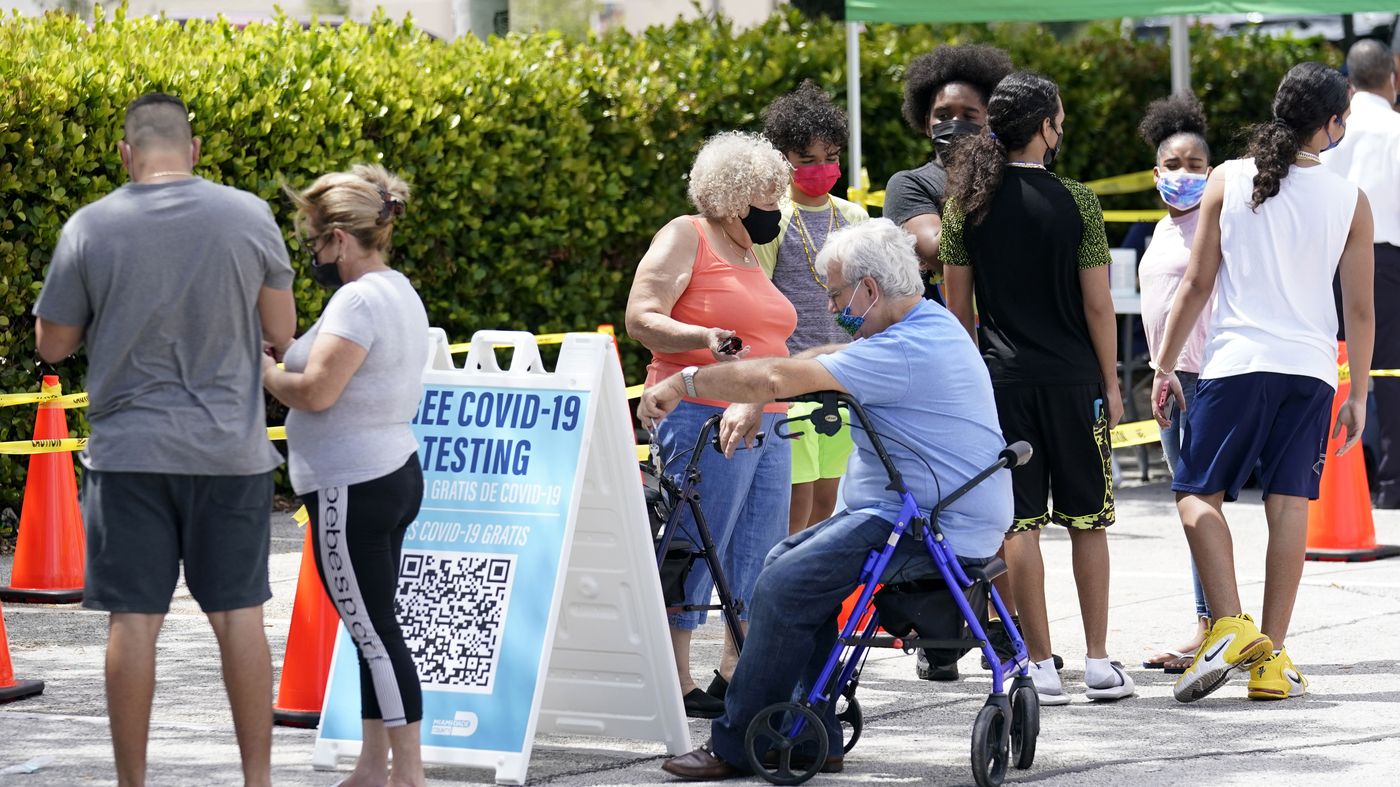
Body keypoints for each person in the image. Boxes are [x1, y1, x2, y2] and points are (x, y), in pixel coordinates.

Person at [644, 218, 1013, 780]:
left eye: (838, 293)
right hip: (929, 512)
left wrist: (684, 383)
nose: (834, 304)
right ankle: (807, 728)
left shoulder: (902, 352)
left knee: (784, 583)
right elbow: (823, 356)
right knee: (784, 564)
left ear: (869, 289)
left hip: (925, 523)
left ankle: (742, 743)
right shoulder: (927, 325)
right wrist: (755, 393)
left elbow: (777, 376)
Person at [32, 92, 296, 787]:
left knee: (134, 620)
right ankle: (258, 781)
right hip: (230, 453)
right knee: (240, 616)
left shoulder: (89, 226)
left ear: (124, 153)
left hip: (128, 456)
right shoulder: (249, 216)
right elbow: (282, 327)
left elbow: (53, 345)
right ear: (195, 150)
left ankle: (132, 783)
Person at [1154, 62, 1375, 702]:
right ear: (1331, 124)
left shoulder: (1226, 178)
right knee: (1287, 508)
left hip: (1236, 363)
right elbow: (1360, 311)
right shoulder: (1349, 199)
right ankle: (1270, 659)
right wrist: (1356, 392)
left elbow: (1197, 284)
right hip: (1309, 372)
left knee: (1198, 494)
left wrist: (1165, 365)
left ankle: (1227, 623)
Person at [941, 72, 1135, 705]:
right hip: (1075, 381)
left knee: (1018, 523)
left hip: (1001, 383)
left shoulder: (965, 203)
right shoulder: (1078, 201)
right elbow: (1099, 305)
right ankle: (1101, 663)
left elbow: (957, 306)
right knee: (1089, 520)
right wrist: (1110, 380)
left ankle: (1040, 664)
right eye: (1060, 117)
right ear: (1047, 126)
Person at [262, 165, 429, 787]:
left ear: (337, 236)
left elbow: (316, 392)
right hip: (386, 473)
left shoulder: (357, 298)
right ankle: (371, 765)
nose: (311, 250)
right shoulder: (395, 289)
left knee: (375, 633)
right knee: (373, 629)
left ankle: (406, 774)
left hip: (352, 486)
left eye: (311, 237)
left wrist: (266, 372)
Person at [625, 131, 797, 719]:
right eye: (766, 199)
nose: (775, 210)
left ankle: (733, 672)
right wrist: (704, 340)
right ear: (731, 199)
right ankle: (674, 679)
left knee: (758, 551)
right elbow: (641, 317)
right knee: (696, 544)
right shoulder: (687, 235)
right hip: (697, 412)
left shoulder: (750, 250)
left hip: (769, 417)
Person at [755, 80, 867, 538]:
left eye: (831, 157)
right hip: (791, 381)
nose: (821, 168)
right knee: (795, 500)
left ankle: (807, 586)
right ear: (783, 160)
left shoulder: (855, 217)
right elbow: (758, 293)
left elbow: (869, 296)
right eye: (807, 160)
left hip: (843, 380)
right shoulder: (772, 217)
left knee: (828, 497)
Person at [1135, 93, 1216, 674]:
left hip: (1206, 376)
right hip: (1171, 381)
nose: (1184, 175)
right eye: (1174, 165)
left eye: (1196, 165)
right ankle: (1210, 624)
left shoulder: (1220, 225)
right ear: (1155, 172)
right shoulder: (1161, 232)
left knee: (1200, 501)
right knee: (1190, 503)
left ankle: (1214, 627)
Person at [1323, 39, 1400, 509]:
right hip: (1386, 260)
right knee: (1388, 373)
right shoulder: (1396, 128)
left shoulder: (1334, 129)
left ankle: (1321, 476)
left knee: (1327, 367)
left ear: (1349, 82)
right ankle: (1391, 486)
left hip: (1328, 257)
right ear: (1393, 79)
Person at [883, 44, 1014, 304]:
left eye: (968, 115)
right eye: (943, 115)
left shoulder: (1012, 178)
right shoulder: (909, 184)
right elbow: (938, 253)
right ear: (927, 125)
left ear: (990, 122)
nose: (954, 123)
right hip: (940, 335)